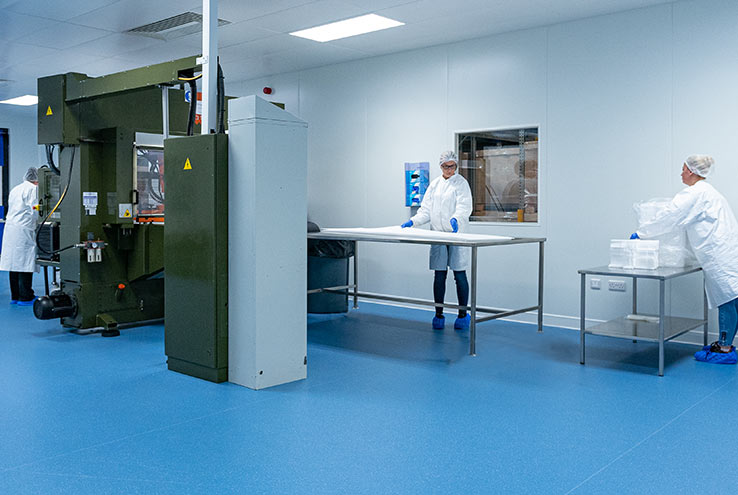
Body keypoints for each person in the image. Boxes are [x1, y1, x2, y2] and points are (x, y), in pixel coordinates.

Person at [632, 155, 738, 364]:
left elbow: (670, 215)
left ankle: (724, 349)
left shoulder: (694, 193)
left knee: (726, 299)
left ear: (691, 171)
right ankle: (725, 345)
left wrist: (642, 233)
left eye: (682, 169)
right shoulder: (709, 192)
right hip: (727, 252)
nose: (681, 173)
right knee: (732, 298)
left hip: (719, 255)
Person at [401, 151, 473, 330]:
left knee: (459, 273)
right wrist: (414, 221)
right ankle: (439, 315)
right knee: (439, 274)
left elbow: (465, 206)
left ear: (456, 166)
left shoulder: (461, 183)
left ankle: (462, 315)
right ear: (440, 166)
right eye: (446, 166)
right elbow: (426, 210)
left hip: (456, 234)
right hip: (438, 234)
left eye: (452, 166)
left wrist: (457, 219)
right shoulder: (434, 185)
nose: (449, 169)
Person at [0, 167, 39, 305]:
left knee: (14, 264)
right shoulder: (33, 189)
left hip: (11, 229)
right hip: (24, 229)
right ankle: (26, 296)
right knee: (24, 263)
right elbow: (35, 208)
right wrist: (41, 217)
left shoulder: (16, 188)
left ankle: (15, 296)